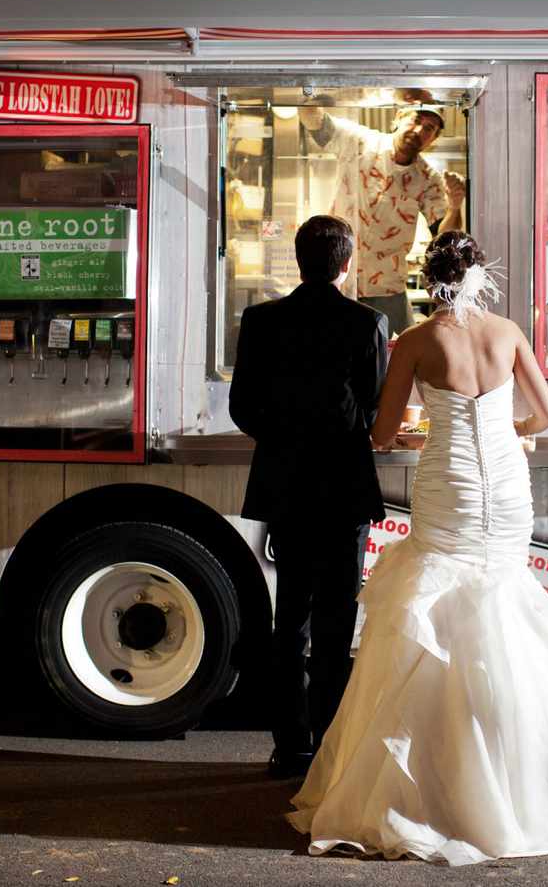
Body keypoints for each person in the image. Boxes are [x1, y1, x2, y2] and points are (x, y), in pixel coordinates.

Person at [287, 231, 548, 865]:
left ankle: (442, 782)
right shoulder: (509, 331)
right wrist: (509, 429)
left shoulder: (412, 341)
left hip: (451, 483)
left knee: (438, 607)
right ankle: (528, 778)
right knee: (505, 601)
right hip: (506, 481)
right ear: (477, 275)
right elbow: (546, 416)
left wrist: (419, 435)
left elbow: (382, 433)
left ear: (427, 280)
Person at [229, 215, 389, 780]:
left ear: (298, 261)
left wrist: (285, 439)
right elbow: (373, 407)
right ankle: (328, 745)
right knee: (336, 619)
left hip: (285, 485)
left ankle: (290, 746)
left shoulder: (261, 319)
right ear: (347, 264)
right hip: (344, 485)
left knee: (289, 616)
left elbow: (241, 408)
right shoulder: (368, 322)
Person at [299, 100, 467, 334]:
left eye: (429, 128)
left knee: (397, 352)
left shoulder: (428, 179)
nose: (419, 130)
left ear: (433, 139)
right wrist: (311, 92)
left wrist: (455, 206)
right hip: (335, 279)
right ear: (398, 118)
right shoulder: (357, 141)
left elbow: (446, 236)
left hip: (387, 289)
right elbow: (314, 121)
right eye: (416, 120)